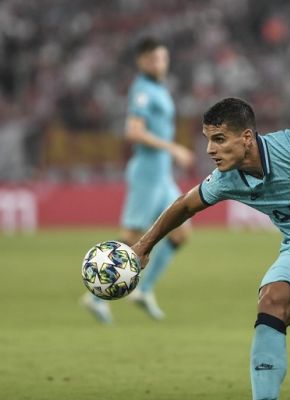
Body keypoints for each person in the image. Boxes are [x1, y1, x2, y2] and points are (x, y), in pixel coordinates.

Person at [130, 94, 290, 400]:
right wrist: (142, 246)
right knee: (272, 300)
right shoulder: (226, 179)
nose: (210, 150)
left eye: (219, 139)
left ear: (246, 137)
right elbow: (185, 205)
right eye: (207, 140)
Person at [81, 37, 194, 323]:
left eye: (163, 58)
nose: (160, 64)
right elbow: (133, 131)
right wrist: (174, 148)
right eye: (154, 59)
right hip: (147, 172)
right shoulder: (142, 90)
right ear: (142, 61)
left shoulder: (158, 89)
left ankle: (143, 290)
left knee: (181, 233)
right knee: (132, 239)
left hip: (162, 174)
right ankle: (95, 297)